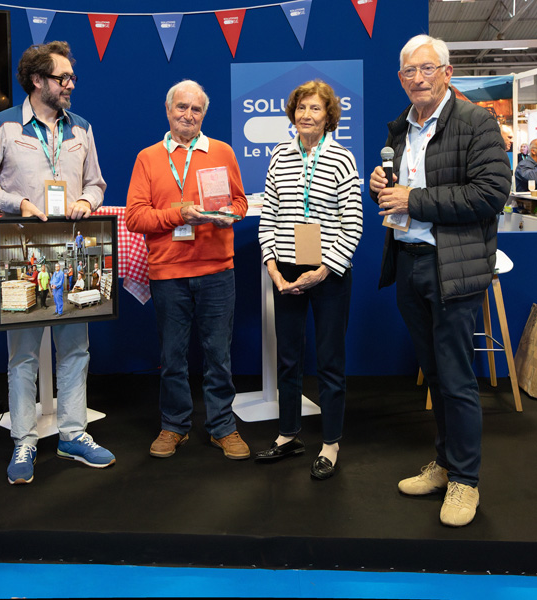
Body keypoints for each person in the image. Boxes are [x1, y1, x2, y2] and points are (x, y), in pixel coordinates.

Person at [369, 35, 511, 527]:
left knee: (455, 378)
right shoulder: (399, 129)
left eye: (428, 69)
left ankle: (466, 481)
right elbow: (400, 196)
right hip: (409, 262)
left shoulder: (477, 122)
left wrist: (414, 199)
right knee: (434, 375)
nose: (419, 78)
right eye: (409, 71)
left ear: (447, 73)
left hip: (453, 266)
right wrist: (382, 192)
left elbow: (492, 194)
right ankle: (446, 463)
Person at [0, 41, 114, 484]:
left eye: (71, 78)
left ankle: (73, 433)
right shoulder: (3, 126)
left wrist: (88, 199)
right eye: (62, 78)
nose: (70, 85)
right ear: (37, 81)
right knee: (23, 354)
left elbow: (97, 183)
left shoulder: (82, 128)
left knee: (75, 347)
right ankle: (24, 439)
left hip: (74, 247)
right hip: (23, 249)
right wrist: (20, 203)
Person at [125, 80, 249, 461]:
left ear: (203, 115)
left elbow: (241, 201)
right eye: (182, 107)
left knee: (218, 355)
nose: (188, 115)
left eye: (196, 110)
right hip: (169, 272)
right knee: (173, 356)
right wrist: (179, 213)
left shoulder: (222, 151)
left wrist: (231, 216)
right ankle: (174, 425)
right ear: (168, 110)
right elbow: (135, 217)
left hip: (217, 270)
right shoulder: (148, 157)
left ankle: (222, 426)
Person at [255, 80, 363, 480]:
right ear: (292, 113)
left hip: (329, 274)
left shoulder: (342, 159)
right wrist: (272, 267)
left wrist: (325, 269)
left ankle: (331, 444)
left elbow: (353, 222)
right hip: (285, 271)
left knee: (331, 360)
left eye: (315, 109)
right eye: (301, 108)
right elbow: (269, 217)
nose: (306, 115)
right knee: (288, 358)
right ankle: (288, 435)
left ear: (328, 116)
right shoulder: (279, 156)